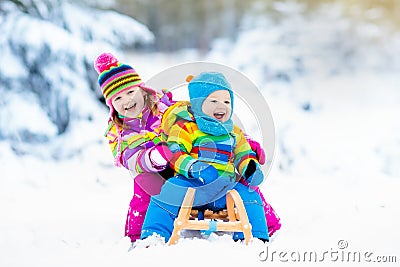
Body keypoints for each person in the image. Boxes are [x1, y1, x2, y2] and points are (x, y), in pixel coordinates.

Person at [139, 72, 270, 245]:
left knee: (250, 195)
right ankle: (154, 235)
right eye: (214, 101)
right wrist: (194, 167)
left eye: (226, 102)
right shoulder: (187, 128)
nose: (221, 106)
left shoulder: (234, 132)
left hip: (224, 187)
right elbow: (175, 151)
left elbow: (243, 153)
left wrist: (249, 167)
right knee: (167, 192)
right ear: (199, 104)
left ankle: (257, 236)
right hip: (191, 185)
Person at [94, 52, 175, 243]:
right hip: (148, 169)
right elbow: (127, 159)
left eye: (130, 92)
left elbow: (183, 125)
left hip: (178, 161)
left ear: (142, 90)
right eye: (118, 98)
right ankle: (137, 235)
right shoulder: (120, 131)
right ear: (111, 105)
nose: (127, 101)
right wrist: (152, 159)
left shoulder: (164, 108)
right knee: (143, 189)